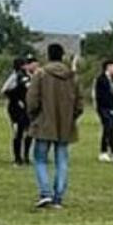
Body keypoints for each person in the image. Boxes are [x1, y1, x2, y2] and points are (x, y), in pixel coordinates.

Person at [26, 44, 82, 209]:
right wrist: (71, 118)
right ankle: (58, 197)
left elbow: (32, 100)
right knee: (62, 160)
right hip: (65, 125)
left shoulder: (40, 74)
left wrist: (33, 116)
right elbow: (79, 103)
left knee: (40, 159)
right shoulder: (71, 76)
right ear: (62, 56)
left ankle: (45, 193)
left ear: (48, 55)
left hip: (43, 123)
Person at [1, 55, 36, 166]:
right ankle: (18, 158)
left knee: (28, 132)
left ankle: (25, 156)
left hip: (26, 108)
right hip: (16, 109)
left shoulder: (27, 76)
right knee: (18, 132)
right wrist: (15, 98)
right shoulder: (16, 76)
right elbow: (5, 90)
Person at [94, 59, 113, 164]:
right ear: (108, 67)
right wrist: (106, 109)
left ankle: (103, 152)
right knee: (109, 128)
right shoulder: (101, 79)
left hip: (112, 109)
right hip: (104, 108)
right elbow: (100, 96)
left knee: (108, 130)